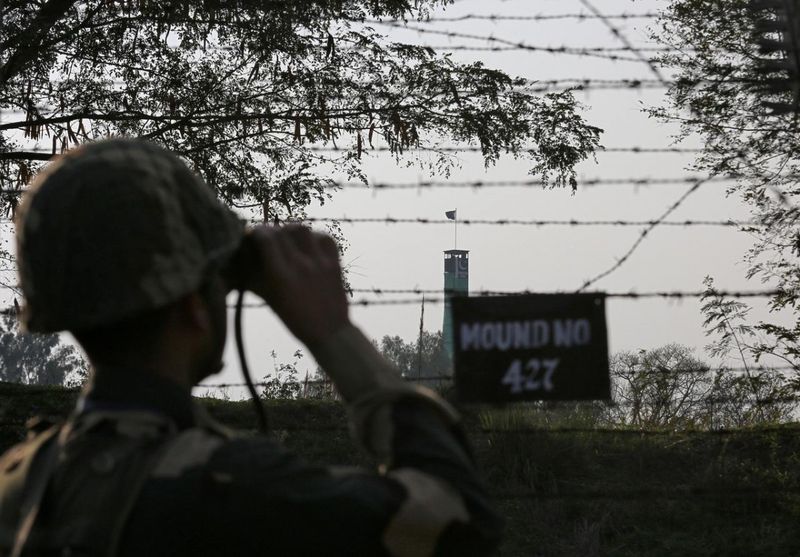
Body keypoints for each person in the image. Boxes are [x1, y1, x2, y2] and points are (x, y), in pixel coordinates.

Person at [0, 139, 502, 556]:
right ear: (195, 308)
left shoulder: (18, 483)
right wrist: (332, 333)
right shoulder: (231, 489)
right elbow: (460, 521)